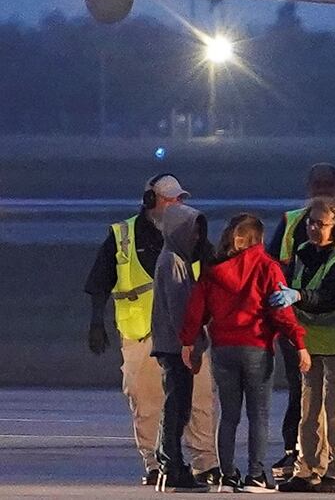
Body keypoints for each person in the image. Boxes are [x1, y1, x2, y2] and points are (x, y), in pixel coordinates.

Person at [82, 173, 214, 487]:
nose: (176, 205)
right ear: (150, 200)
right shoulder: (123, 235)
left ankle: (206, 462)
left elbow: (214, 274)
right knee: (147, 401)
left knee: (201, 399)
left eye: (180, 199)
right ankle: (156, 464)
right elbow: (100, 281)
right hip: (140, 332)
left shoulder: (191, 233)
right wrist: (97, 322)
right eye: (170, 199)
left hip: (186, 332)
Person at [180, 214, 311, 493]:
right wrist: (298, 342)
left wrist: (188, 341)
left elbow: (196, 309)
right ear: (258, 239)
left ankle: (227, 476)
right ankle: (255, 475)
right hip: (256, 347)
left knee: (228, 415)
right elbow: (281, 311)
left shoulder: (213, 269)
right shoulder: (267, 267)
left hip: (223, 349)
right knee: (258, 414)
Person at [266, 163, 335, 480]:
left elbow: (329, 295)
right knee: (307, 409)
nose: (314, 228)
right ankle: (307, 466)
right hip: (305, 339)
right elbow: (276, 269)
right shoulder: (299, 240)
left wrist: (298, 296)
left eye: (321, 224)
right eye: (311, 223)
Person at [151, 203, 219, 491]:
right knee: (177, 407)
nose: (196, 238)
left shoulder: (176, 259)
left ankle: (167, 459)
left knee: (177, 405)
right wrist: (193, 343)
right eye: (192, 232)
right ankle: (172, 464)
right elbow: (181, 310)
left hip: (173, 344)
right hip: (176, 345)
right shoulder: (174, 262)